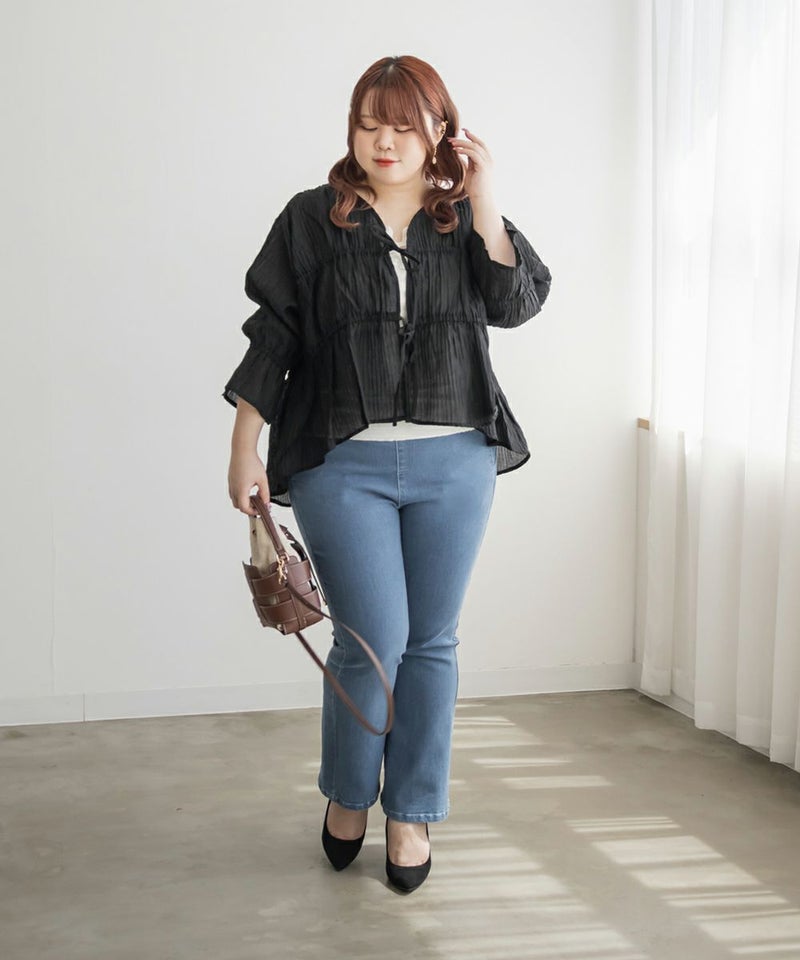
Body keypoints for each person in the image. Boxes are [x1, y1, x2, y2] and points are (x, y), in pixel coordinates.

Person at [224, 54, 552, 893]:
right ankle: (347, 794)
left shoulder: (461, 219)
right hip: (342, 463)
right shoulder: (312, 219)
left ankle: (411, 812)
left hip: (455, 458)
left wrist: (484, 193)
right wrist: (245, 445)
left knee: (432, 642)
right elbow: (275, 337)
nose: (384, 141)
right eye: (369, 123)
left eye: (405, 125)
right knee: (370, 641)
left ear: (441, 130)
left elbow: (514, 303)